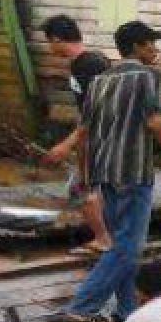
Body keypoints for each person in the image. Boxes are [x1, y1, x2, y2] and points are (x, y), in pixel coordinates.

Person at [47, 20, 161, 322]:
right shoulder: (150, 76)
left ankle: (127, 311)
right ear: (135, 47)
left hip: (106, 171)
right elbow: (154, 122)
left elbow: (84, 128)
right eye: (149, 44)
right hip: (132, 170)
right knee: (128, 248)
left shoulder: (100, 81)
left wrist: (70, 154)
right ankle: (83, 306)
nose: (154, 50)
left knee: (121, 243)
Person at [41, 14, 113, 255]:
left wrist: (67, 144)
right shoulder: (90, 61)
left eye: (49, 42)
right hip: (96, 135)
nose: (50, 47)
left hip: (102, 136)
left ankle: (104, 240)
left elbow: (97, 111)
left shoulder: (87, 65)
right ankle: (106, 236)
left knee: (82, 189)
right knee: (92, 187)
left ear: (57, 39)